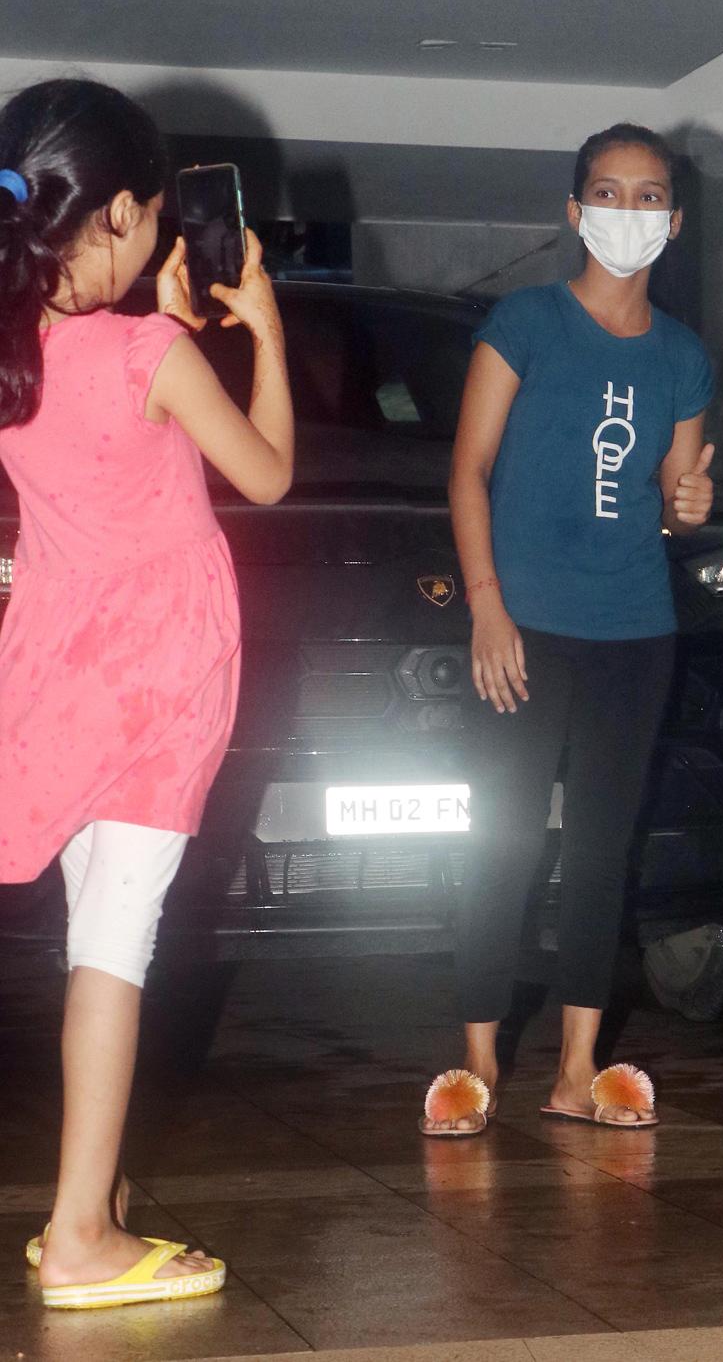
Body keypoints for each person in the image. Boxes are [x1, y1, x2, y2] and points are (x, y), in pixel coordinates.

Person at [0, 79, 293, 1307]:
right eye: (155, 213)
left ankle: (95, 1193)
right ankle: (81, 1236)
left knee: (95, 936)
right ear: (119, 213)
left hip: (55, 675)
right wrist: (261, 331)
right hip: (158, 685)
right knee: (115, 951)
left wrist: (156, 329)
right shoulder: (149, 352)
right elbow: (266, 474)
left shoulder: (16, 351)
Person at [421, 122, 714, 1136]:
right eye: (608, 191)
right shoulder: (526, 322)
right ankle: (476, 1062)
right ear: (575, 210)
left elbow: (675, 498)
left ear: (674, 221)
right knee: (501, 838)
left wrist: (691, 507)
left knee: (600, 848)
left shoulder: (682, 355)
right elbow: (467, 471)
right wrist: (485, 605)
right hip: (524, 625)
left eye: (648, 196)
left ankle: (577, 1069)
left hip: (634, 628)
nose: (627, 211)